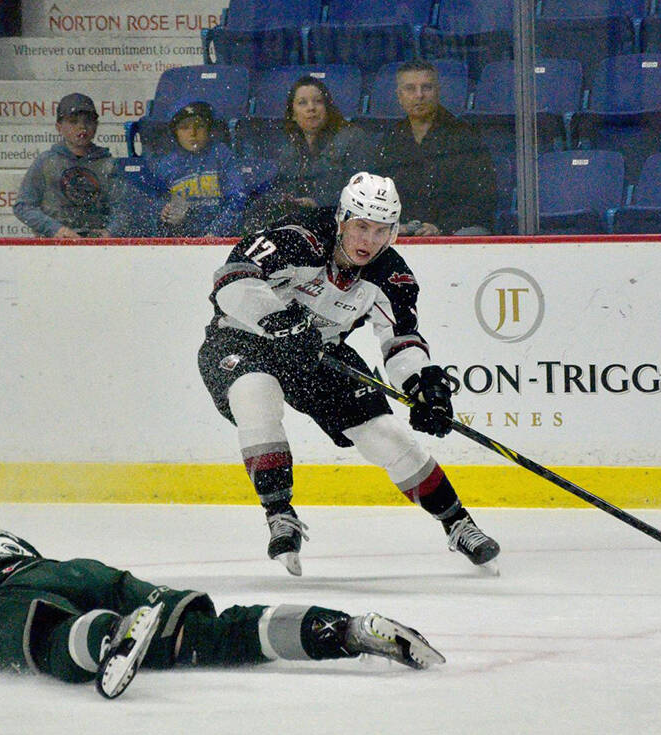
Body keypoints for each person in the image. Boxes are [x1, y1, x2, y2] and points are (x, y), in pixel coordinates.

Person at [0, 473, 445, 701]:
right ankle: (337, 631)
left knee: (53, 642)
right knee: (203, 633)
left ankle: (109, 636)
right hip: (66, 570)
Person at [197, 171, 501, 576]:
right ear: (342, 219)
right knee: (256, 394)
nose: (368, 241)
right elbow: (230, 281)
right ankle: (279, 513)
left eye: (381, 231)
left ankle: (458, 522)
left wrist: (424, 385)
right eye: (361, 227)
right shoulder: (298, 236)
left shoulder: (392, 276)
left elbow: (400, 341)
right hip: (242, 337)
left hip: (316, 353)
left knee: (385, 435)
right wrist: (280, 321)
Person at [374, 60, 497, 236]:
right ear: (399, 96)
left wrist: (442, 228)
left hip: (455, 232)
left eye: (426, 87)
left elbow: (483, 198)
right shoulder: (391, 139)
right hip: (402, 231)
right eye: (410, 89)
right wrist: (395, 226)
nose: (419, 95)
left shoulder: (464, 136)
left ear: (438, 92)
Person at [242, 75, 372, 229]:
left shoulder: (353, 138)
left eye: (318, 101)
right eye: (302, 103)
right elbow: (282, 186)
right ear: (293, 114)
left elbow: (362, 193)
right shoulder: (289, 148)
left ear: (328, 108)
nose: (311, 108)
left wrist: (319, 203)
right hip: (299, 226)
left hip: (340, 226)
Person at [13, 92, 115, 238]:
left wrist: (111, 230)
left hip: (97, 246)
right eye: (73, 122)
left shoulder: (108, 164)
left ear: (96, 126)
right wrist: (55, 229)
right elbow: (23, 207)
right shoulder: (46, 162)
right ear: (59, 127)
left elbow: (121, 206)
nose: (82, 127)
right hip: (54, 246)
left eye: (88, 121)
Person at [149, 101, 247, 237]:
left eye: (199, 126)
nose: (193, 133)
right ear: (175, 133)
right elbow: (153, 205)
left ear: (208, 129)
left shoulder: (222, 155)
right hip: (181, 242)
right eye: (184, 128)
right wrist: (163, 213)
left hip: (220, 241)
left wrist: (215, 232)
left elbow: (237, 198)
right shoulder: (166, 165)